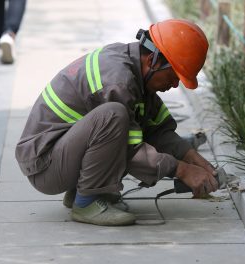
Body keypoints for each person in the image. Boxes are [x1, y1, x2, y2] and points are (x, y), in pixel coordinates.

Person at [15, 19, 218, 226]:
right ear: (153, 60)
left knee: (125, 121)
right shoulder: (118, 82)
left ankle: (83, 190)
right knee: (114, 117)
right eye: (174, 75)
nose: (175, 85)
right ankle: (86, 202)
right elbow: (131, 151)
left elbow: (157, 130)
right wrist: (182, 170)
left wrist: (190, 156)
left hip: (59, 155)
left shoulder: (135, 72)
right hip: (45, 166)